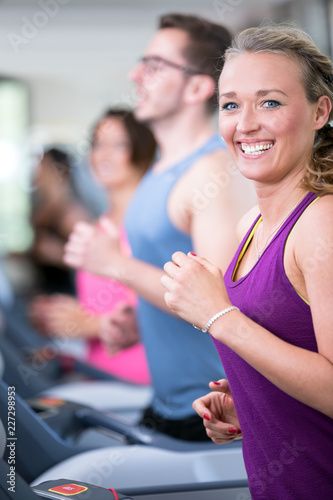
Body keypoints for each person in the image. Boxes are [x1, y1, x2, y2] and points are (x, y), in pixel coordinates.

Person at [161, 24, 333, 498]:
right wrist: (254, 405)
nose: (246, 123)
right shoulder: (250, 225)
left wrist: (218, 316)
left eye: (270, 102)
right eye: (231, 104)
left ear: (320, 111)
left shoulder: (322, 223)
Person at [64, 14, 247, 441]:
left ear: (198, 87)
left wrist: (116, 265)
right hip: (165, 402)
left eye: (155, 65)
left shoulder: (210, 171)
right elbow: (171, 282)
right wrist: (140, 319)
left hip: (206, 412)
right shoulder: (161, 170)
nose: (136, 75)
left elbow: (216, 300)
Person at [30, 109, 156, 385]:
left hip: (140, 383)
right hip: (96, 374)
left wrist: (91, 325)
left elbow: (171, 309)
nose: (102, 155)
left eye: (117, 144)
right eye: (97, 144)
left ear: (143, 151)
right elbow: (108, 303)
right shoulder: (99, 227)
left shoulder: (154, 226)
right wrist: (65, 314)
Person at [29, 148, 90, 295]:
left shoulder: (71, 213)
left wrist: (57, 254)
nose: (37, 171)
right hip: (47, 293)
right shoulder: (44, 208)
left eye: (42, 166)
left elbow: (93, 260)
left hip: (68, 295)